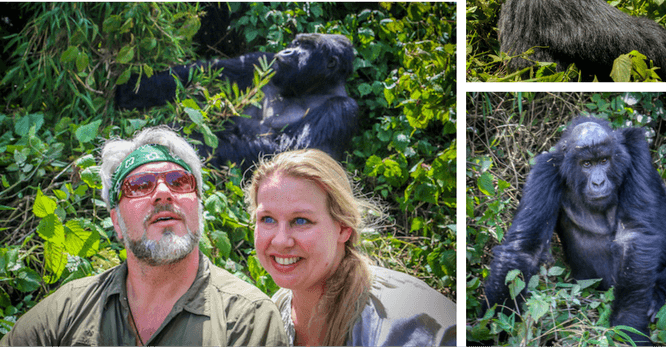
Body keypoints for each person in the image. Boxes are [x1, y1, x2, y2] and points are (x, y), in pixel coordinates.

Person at [1, 126, 288, 346]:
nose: (164, 193)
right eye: (140, 185)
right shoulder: (68, 309)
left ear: (198, 207)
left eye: (179, 181)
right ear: (116, 220)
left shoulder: (247, 318)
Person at [244, 148, 457, 347]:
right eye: (267, 219)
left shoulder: (408, 322)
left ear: (344, 228)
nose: (281, 241)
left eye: (301, 221)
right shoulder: (272, 315)